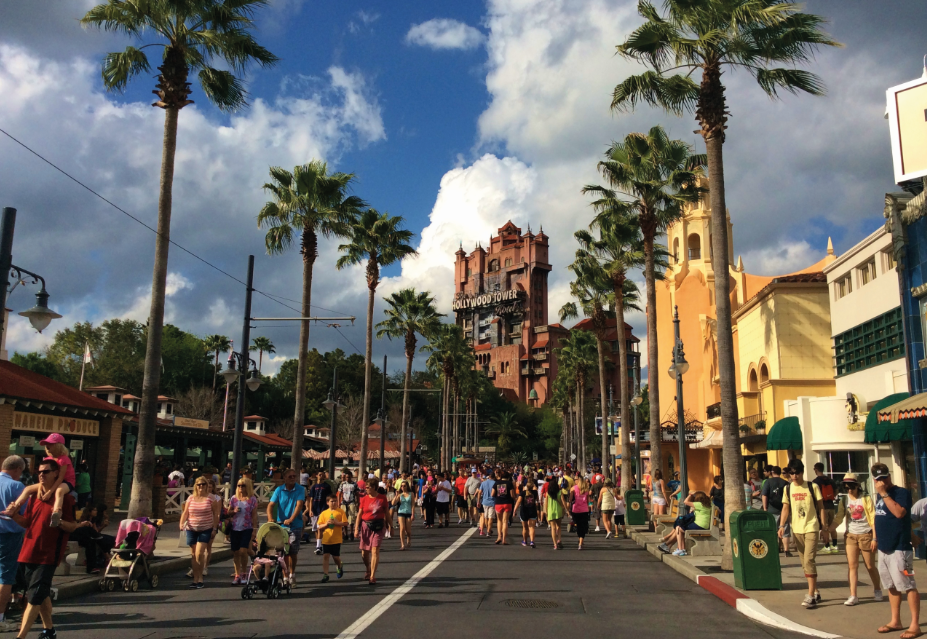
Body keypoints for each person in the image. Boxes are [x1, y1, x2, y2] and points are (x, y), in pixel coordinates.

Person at [9, 459, 90, 639]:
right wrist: (14, 515)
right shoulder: (33, 496)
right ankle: (49, 630)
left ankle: (20, 636)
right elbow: (26, 523)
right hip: (28, 552)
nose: (41, 475)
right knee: (40, 593)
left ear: (56, 474)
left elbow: (71, 526)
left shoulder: (66, 499)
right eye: (39, 472)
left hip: (49, 554)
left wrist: (59, 522)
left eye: (45, 472)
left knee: (34, 597)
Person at [870, 462, 920, 637]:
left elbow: (899, 514)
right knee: (891, 586)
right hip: (884, 547)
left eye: (885, 477)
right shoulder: (879, 496)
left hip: (900, 548)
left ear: (889, 476)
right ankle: (895, 620)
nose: (882, 482)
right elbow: (879, 517)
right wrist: (875, 538)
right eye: (878, 479)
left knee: (908, 585)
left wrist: (884, 493)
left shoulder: (901, 493)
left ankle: (915, 625)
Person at [778, 460, 825, 608]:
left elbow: (821, 508)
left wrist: (825, 527)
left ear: (802, 472)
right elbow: (786, 508)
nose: (794, 476)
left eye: (796, 472)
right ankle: (816, 591)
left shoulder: (813, 486)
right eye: (791, 473)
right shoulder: (787, 489)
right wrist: (781, 525)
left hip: (812, 527)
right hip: (796, 529)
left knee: (809, 559)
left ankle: (810, 595)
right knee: (805, 562)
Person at [832, 472, 882, 606]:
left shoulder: (865, 499)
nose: (849, 490)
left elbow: (872, 519)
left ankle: (877, 589)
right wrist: (829, 529)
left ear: (857, 486)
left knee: (870, 566)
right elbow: (839, 516)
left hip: (866, 535)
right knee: (852, 566)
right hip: (851, 535)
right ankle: (853, 595)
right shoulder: (845, 500)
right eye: (846, 488)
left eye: (851, 487)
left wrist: (874, 538)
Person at [4, 434, 75, 528]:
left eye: (50, 444)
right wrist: (40, 489)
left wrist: (50, 492)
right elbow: (42, 479)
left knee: (59, 491)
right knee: (27, 489)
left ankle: (56, 513)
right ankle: (13, 508)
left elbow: (60, 478)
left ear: (59, 446)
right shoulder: (47, 459)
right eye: (46, 444)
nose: (47, 446)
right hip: (53, 481)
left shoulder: (64, 459)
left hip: (66, 482)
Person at [0, 456, 26, 632]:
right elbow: (25, 516)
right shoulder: (17, 486)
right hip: (9, 535)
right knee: (5, 576)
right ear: (17, 469)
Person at [179, 475, 220, 589]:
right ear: (195, 486)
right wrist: (181, 523)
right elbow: (186, 512)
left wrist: (215, 528)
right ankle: (195, 578)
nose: (201, 486)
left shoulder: (211, 498)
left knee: (199, 554)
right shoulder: (191, 498)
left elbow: (216, 514)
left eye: (203, 484)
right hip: (191, 528)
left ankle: (200, 578)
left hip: (205, 529)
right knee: (193, 555)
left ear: (207, 486)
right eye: (199, 484)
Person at [267, 469, 305, 587]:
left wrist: (291, 519)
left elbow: (299, 505)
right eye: (290, 476)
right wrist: (270, 518)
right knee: (282, 552)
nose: (293, 478)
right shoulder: (279, 490)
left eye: (294, 476)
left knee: (292, 550)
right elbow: (270, 505)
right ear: (285, 478)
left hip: (295, 524)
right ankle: (284, 575)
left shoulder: (300, 489)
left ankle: (292, 574)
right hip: (281, 524)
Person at [355, 479, 391, 585]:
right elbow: (359, 514)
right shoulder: (364, 499)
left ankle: (372, 576)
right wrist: (356, 528)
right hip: (366, 526)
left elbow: (387, 513)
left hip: (379, 526)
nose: (366, 489)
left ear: (374, 487)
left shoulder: (382, 498)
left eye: (368, 487)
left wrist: (391, 526)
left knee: (375, 551)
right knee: (364, 553)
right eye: (366, 487)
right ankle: (368, 568)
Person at [657, 491, 712, 556]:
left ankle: (680, 549)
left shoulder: (699, 504)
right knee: (679, 528)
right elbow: (719, 511)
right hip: (703, 525)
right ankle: (670, 546)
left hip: (699, 525)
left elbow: (685, 502)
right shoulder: (709, 504)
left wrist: (690, 495)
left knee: (679, 528)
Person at [228, 477, 258, 585]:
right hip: (235, 527)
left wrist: (254, 529)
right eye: (239, 485)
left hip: (247, 527)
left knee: (243, 551)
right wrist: (233, 511)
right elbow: (228, 512)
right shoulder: (234, 499)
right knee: (236, 552)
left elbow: (254, 516)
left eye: (243, 485)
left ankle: (244, 573)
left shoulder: (252, 499)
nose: (241, 488)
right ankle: (237, 574)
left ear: (248, 487)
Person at [761, 466, 792, 557]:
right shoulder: (785, 483)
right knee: (785, 529)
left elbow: (764, 495)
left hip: (771, 509)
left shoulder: (768, 482)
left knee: (772, 530)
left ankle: (774, 549)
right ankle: (786, 550)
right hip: (783, 509)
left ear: (771, 472)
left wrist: (765, 507)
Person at [318, 494, 347, 583]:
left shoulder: (340, 511)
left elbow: (345, 523)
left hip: (336, 539)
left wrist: (337, 523)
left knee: (336, 557)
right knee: (326, 556)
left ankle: (339, 566)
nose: (334, 503)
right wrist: (326, 524)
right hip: (326, 539)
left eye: (335, 501)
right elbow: (319, 526)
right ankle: (326, 574)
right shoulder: (324, 513)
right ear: (327, 503)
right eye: (332, 501)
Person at [812, 462, 839, 554]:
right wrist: (832, 496)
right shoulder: (830, 480)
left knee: (825, 526)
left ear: (816, 469)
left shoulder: (815, 482)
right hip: (831, 505)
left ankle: (827, 546)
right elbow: (836, 490)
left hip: (822, 506)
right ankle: (835, 545)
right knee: (832, 526)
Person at [308, 473, 334, 555]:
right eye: (319, 474)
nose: (320, 476)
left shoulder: (326, 486)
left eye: (322, 475)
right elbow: (311, 499)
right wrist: (310, 510)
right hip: (315, 509)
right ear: (317, 476)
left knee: (320, 528)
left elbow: (330, 498)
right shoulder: (314, 487)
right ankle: (318, 543)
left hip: (323, 509)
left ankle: (318, 546)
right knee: (315, 529)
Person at [514, 479, 539, 548]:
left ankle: (525, 541)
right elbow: (537, 500)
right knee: (531, 527)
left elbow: (518, 502)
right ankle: (532, 541)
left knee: (525, 527)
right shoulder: (535, 492)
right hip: (532, 510)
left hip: (524, 511)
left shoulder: (522, 493)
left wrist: (514, 510)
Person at [492, 471, 515, 545]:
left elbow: (492, 494)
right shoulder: (509, 483)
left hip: (498, 503)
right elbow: (512, 495)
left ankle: (499, 537)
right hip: (507, 503)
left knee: (499, 521)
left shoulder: (496, 483)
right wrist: (515, 499)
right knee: (505, 521)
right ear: (508, 477)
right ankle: (504, 539)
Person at [569, 477, 592, 550]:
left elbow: (570, 500)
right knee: (583, 526)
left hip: (575, 509)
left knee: (578, 526)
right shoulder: (586, 489)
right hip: (584, 509)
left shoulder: (573, 488)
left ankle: (580, 541)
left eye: (575, 480)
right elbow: (588, 501)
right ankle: (581, 541)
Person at [547, 473, 567, 550]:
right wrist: (566, 510)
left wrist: (546, 513)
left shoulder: (548, 494)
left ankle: (555, 544)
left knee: (553, 528)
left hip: (551, 511)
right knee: (559, 526)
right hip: (558, 510)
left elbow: (546, 505)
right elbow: (563, 502)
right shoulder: (559, 492)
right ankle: (559, 539)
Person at [394, 480, 414, 550]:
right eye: (402, 486)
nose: (403, 487)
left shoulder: (411, 494)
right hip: (401, 511)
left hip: (408, 512)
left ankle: (409, 538)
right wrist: (396, 496)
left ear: (407, 486)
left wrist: (413, 514)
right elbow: (393, 503)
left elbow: (413, 505)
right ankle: (402, 544)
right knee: (402, 528)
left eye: (404, 486)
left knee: (408, 530)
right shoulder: (400, 495)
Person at [339, 471, 358, 542]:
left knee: (351, 518)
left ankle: (351, 533)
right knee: (344, 518)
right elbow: (340, 493)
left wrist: (358, 503)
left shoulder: (354, 484)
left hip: (352, 502)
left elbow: (357, 494)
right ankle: (345, 533)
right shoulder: (342, 484)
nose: (348, 478)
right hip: (344, 502)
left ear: (351, 477)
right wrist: (339, 503)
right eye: (346, 477)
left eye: (349, 477)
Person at [478, 470, 496, 537]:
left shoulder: (483, 483)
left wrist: (478, 501)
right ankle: (489, 531)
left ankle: (487, 529)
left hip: (484, 501)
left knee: (485, 517)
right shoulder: (495, 483)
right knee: (491, 517)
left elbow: (480, 492)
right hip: (492, 501)